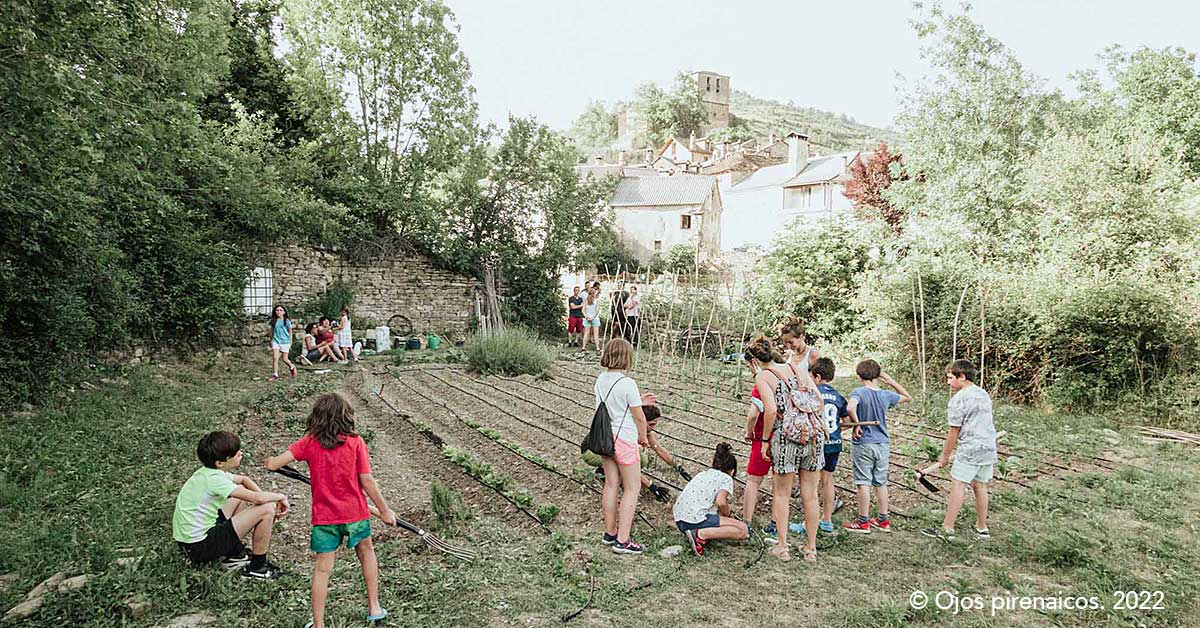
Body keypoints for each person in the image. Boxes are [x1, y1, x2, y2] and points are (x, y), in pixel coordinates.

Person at [266, 393, 397, 628]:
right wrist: (385, 510)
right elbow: (366, 480)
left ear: (316, 418)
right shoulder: (356, 442)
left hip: (325, 519)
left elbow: (274, 464)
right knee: (366, 553)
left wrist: (271, 461)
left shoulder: (309, 443)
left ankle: (318, 625)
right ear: (346, 417)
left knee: (323, 570)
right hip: (356, 513)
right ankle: (375, 607)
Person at [172, 431, 288, 579]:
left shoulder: (207, 473)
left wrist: (266, 498)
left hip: (188, 543)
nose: (240, 453)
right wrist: (280, 497)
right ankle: (258, 569)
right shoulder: (216, 481)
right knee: (266, 510)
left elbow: (244, 480)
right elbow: (258, 499)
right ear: (220, 463)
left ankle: (234, 554)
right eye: (235, 453)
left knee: (240, 494)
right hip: (199, 547)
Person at [752, 336, 826, 561]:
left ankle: (783, 547)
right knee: (811, 496)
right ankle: (810, 549)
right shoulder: (798, 367)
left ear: (754, 362)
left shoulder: (763, 377)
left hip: (786, 439)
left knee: (782, 494)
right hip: (812, 437)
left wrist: (765, 440)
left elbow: (771, 410)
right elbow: (819, 401)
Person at [921, 360, 998, 542]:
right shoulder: (983, 393)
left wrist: (945, 455)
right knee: (980, 486)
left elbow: (953, 431)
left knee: (958, 485)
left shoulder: (958, 399)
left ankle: (947, 528)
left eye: (950, 378)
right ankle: (982, 527)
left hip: (970, 448)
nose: (948, 382)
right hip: (988, 447)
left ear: (962, 377)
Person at [594, 338, 650, 555]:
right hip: (624, 439)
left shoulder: (600, 380)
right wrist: (643, 437)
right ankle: (623, 541)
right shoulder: (627, 383)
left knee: (611, 484)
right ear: (626, 357)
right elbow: (639, 416)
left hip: (605, 438)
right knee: (632, 488)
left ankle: (610, 533)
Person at [843, 359, 912, 534]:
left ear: (859, 376)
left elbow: (851, 407)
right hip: (882, 444)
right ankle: (883, 520)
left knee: (863, 482)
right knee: (880, 482)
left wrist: (856, 424)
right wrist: (890, 381)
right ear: (878, 376)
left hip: (864, 443)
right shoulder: (885, 395)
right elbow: (907, 397)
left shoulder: (859, 392)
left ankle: (863, 522)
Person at [673, 443, 749, 556]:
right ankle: (700, 534)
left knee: (721, 521)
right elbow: (721, 502)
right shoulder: (726, 478)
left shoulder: (703, 474)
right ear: (732, 471)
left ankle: (698, 533)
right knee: (743, 530)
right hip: (695, 519)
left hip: (680, 520)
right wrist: (727, 514)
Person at [810, 357, 847, 534]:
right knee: (827, 481)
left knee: (811, 482)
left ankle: (808, 521)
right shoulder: (838, 396)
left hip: (817, 443)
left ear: (817, 377)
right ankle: (827, 519)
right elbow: (845, 419)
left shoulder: (813, 392)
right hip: (834, 443)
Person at [739, 351, 772, 534]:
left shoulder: (761, 382)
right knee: (780, 482)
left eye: (748, 366)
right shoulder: (782, 376)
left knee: (753, 480)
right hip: (783, 438)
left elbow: (753, 414)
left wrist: (749, 431)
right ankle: (775, 523)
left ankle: (747, 522)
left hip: (763, 437)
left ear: (754, 362)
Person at [268, 305, 298, 381]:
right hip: (276, 341)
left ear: (284, 312)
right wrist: (271, 340)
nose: (279, 312)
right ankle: (275, 375)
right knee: (275, 357)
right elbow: (271, 332)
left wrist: (290, 343)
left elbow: (290, 333)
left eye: (281, 310)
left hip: (285, 342)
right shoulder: (273, 321)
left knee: (285, 359)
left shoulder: (287, 321)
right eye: (277, 310)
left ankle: (292, 367)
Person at [582, 288, 603, 352]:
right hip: (595, 318)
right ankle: (597, 348)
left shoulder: (586, 301)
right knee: (596, 334)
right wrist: (593, 318)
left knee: (586, 333)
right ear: (594, 294)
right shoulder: (596, 300)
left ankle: (583, 347)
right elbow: (597, 311)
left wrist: (586, 317)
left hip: (587, 318)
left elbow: (583, 310)